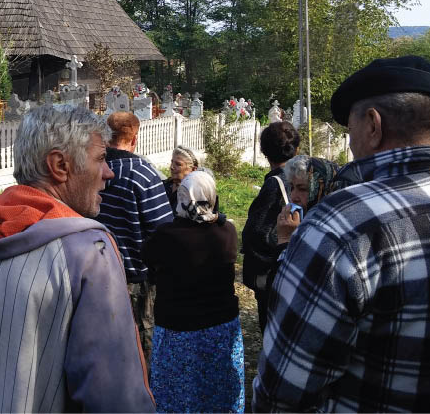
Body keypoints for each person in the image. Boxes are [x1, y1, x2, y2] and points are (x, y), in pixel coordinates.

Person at [0, 105, 155, 412]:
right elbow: (115, 395)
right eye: (100, 159)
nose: (109, 172)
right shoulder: (87, 252)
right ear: (60, 165)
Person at [254, 55, 430, 412]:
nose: (351, 144)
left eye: (349, 129)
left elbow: (283, 395)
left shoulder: (341, 225)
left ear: (373, 125)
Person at [142, 170, 244, 413]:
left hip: (178, 330)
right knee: (218, 394)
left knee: (176, 396)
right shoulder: (227, 231)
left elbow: (146, 256)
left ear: (181, 198)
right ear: (212, 197)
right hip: (220, 329)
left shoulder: (166, 235)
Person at [98, 111, 173, 365]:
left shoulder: (92, 169)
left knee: (105, 341)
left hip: (97, 272)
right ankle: (144, 395)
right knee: (142, 341)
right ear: (135, 139)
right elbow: (163, 232)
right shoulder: (143, 174)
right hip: (135, 278)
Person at [240, 121, 300, 331]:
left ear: (264, 152)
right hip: (301, 266)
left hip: (275, 271)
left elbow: (256, 232)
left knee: (271, 327)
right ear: (297, 150)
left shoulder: (275, 184)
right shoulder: (307, 178)